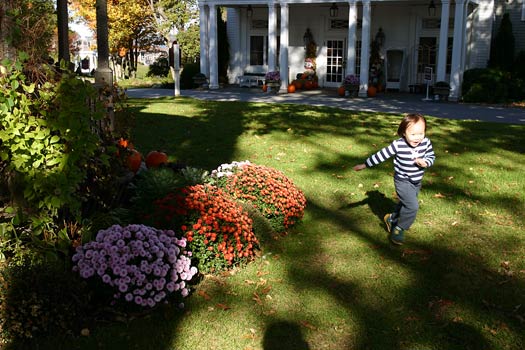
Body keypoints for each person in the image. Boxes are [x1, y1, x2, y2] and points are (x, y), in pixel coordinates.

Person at [353, 113, 436, 245]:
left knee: (405, 204)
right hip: (403, 181)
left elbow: (431, 156)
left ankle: (391, 218)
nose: (418, 137)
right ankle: (399, 228)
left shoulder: (425, 143)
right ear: (404, 133)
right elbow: (381, 155)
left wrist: (426, 162)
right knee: (412, 206)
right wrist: (365, 164)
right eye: (413, 134)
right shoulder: (398, 145)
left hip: (416, 181)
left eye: (421, 133)